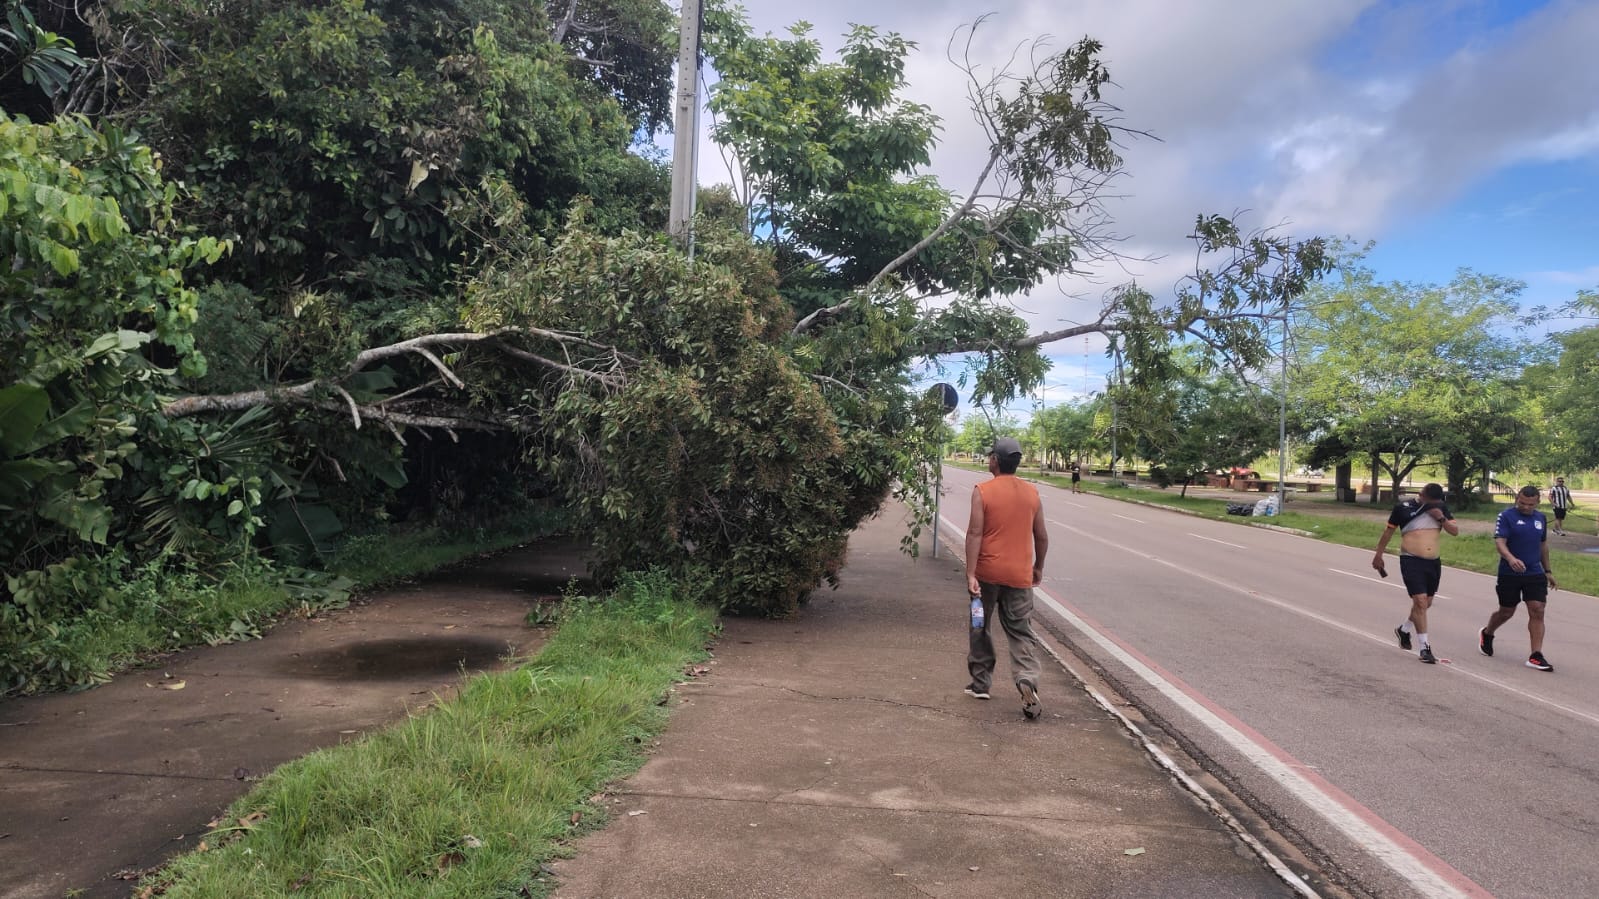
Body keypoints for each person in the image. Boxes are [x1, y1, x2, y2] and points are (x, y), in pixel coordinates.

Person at [964, 436, 1050, 719]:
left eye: (991, 456)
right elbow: (1041, 536)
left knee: (980, 624)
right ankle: (1026, 680)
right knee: (1021, 632)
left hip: (986, 576)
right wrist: (1038, 567)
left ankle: (980, 684)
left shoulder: (982, 490)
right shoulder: (1032, 493)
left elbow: (975, 533)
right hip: (1020, 577)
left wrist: (971, 573)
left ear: (996, 461)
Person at [1371, 483, 1458, 663]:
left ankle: (1404, 629)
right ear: (1422, 495)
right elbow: (1388, 532)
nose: (1434, 503)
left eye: (1437, 501)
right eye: (1431, 501)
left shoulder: (1440, 508)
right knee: (1419, 601)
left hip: (1433, 561)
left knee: (1426, 603)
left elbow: (1455, 531)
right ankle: (1424, 648)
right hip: (1411, 559)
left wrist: (1441, 518)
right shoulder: (1403, 508)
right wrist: (1379, 555)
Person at [1479, 486, 1558, 671]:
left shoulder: (1540, 518)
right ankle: (1488, 632)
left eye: (1530, 504)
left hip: (1534, 572)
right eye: (1522, 502)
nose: (1526, 507)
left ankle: (1535, 655)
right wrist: (1511, 558)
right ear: (1517, 498)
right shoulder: (1506, 516)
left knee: (1537, 609)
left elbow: (1543, 545)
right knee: (1507, 611)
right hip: (1510, 572)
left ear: (1538, 502)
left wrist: (1547, 570)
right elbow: (1500, 542)